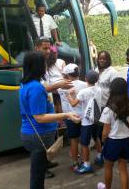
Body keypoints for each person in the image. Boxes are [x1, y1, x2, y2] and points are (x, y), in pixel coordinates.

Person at [19, 51, 80, 189]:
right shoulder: (35, 87)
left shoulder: (28, 83)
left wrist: (58, 85)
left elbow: (43, 88)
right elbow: (39, 117)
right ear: (37, 66)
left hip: (32, 134)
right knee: (37, 174)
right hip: (38, 135)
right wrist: (66, 115)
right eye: (44, 64)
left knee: (38, 170)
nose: (46, 67)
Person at [98, 77, 129, 189]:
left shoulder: (108, 109)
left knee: (108, 167)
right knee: (123, 169)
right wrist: (127, 133)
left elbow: (105, 131)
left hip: (112, 142)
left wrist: (103, 141)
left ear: (112, 90)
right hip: (126, 141)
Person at [69, 70, 102, 174]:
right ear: (97, 80)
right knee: (96, 137)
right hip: (96, 119)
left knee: (84, 143)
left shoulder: (84, 92)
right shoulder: (99, 89)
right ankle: (100, 157)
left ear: (86, 79)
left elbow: (74, 104)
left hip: (87, 121)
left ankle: (87, 165)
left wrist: (69, 96)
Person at [57, 63, 87, 171]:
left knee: (73, 140)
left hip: (70, 117)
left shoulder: (62, 87)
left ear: (67, 75)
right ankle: (85, 162)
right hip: (83, 117)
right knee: (83, 140)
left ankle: (75, 163)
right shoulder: (85, 85)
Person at [94, 51, 118, 165]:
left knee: (105, 131)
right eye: (100, 58)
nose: (101, 60)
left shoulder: (112, 72)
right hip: (97, 105)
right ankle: (103, 153)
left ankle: (106, 154)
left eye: (104, 59)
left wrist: (110, 105)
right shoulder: (96, 70)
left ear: (108, 60)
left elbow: (115, 90)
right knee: (98, 132)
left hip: (107, 106)